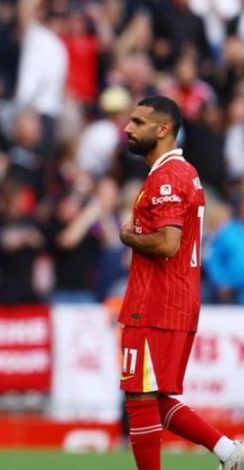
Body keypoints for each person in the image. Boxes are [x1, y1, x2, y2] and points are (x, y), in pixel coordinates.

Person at [117, 95, 243, 470]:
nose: (128, 128)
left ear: (163, 128)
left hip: (156, 302)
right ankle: (228, 453)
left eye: (138, 122)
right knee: (152, 397)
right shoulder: (179, 172)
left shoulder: (169, 176)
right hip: (172, 299)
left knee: (139, 397)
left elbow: (168, 243)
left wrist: (129, 236)